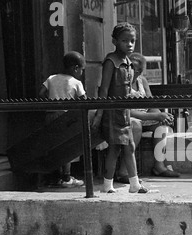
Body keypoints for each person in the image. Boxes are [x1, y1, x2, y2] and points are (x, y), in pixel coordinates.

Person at [91, 23, 172, 194]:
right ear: (115, 41)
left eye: (132, 41)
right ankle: (108, 185)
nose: (129, 44)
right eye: (124, 40)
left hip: (125, 112)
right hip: (113, 113)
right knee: (114, 149)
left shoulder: (128, 62)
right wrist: (99, 114)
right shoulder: (110, 61)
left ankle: (134, 184)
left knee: (130, 146)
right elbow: (104, 89)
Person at [115, 52, 180, 183]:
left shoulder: (142, 81)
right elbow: (126, 110)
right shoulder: (121, 82)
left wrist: (162, 115)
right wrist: (154, 115)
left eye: (135, 69)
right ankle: (123, 171)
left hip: (145, 116)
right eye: (129, 67)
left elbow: (150, 103)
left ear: (140, 71)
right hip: (126, 117)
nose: (131, 71)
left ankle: (159, 166)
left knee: (162, 127)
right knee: (136, 126)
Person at [39, 51, 86, 188]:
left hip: (50, 115)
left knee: (53, 146)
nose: (81, 73)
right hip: (66, 118)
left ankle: (54, 177)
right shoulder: (76, 83)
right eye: (82, 70)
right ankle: (66, 177)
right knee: (67, 147)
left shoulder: (51, 78)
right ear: (75, 68)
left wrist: (50, 103)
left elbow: (41, 93)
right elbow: (84, 100)